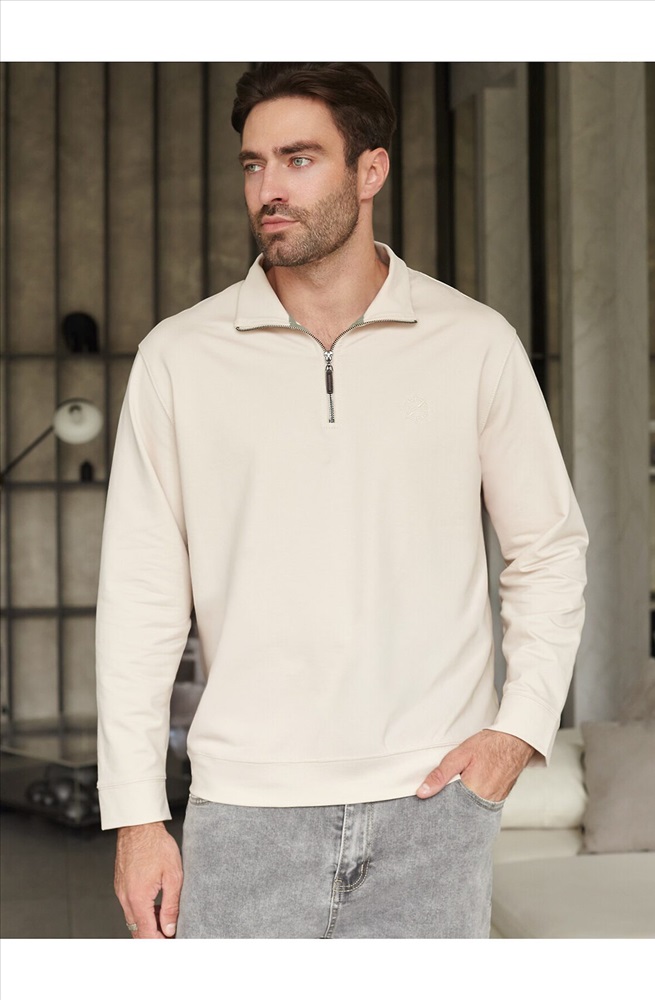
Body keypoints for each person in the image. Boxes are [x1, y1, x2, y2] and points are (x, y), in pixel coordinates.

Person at [96, 62, 588, 939]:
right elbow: (140, 595)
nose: (269, 189)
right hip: (244, 809)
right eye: (253, 165)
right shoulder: (179, 357)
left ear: (370, 171)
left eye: (298, 159)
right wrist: (136, 814)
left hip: (434, 803)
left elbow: (546, 549)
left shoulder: (474, 343)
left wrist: (517, 731)